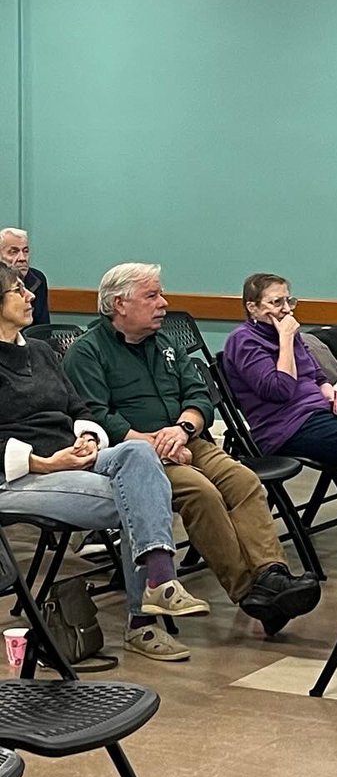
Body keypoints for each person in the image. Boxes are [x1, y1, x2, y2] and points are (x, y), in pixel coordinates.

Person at [62, 263, 321, 636]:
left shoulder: (164, 344)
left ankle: (271, 575)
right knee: (202, 493)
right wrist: (156, 444)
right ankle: (249, 592)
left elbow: (199, 395)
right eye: (152, 296)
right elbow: (97, 417)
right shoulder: (87, 353)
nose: (164, 303)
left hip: (186, 439)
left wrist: (182, 430)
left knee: (243, 480)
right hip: (136, 456)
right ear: (119, 303)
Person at [0, 263, 209, 661]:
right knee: (137, 498)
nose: (31, 297)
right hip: (18, 475)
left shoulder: (41, 352)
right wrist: (44, 463)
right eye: (18, 291)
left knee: (139, 454)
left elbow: (79, 408)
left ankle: (157, 586)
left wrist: (87, 439)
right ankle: (144, 618)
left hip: (69, 458)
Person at [223, 273, 337, 467]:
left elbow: (316, 374)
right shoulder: (244, 341)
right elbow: (280, 390)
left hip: (320, 414)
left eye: (288, 301)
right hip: (286, 429)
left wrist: (328, 390)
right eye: (276, 302)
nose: (286, 310)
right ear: (252, 308)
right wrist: (285, 340)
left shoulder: (287, 332)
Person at [0, 228, 49, 327]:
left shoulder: (37, 279)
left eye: (25, 251)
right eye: (13, 252)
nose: (22, 258)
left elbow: (43, 329)